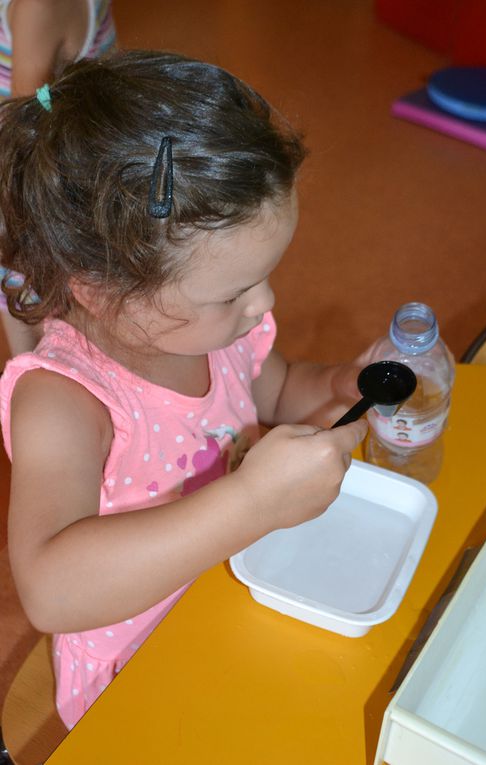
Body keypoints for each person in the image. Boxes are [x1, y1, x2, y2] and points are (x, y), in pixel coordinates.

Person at [0, 50, 368, 730]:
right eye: (233, 291)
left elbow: (280, 388)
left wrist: (341, 383)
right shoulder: (62, 400)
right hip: (141, 677)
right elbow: (50, 589)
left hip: (235, 597)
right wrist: (253, 500)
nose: (264, 303)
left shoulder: (215, 333)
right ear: (104, 292)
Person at [0, 0, 116, 356]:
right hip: (54, 159)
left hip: (24, 168)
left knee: (22, 280)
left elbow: (30, 111)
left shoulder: (40, 7)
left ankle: (31, 381)